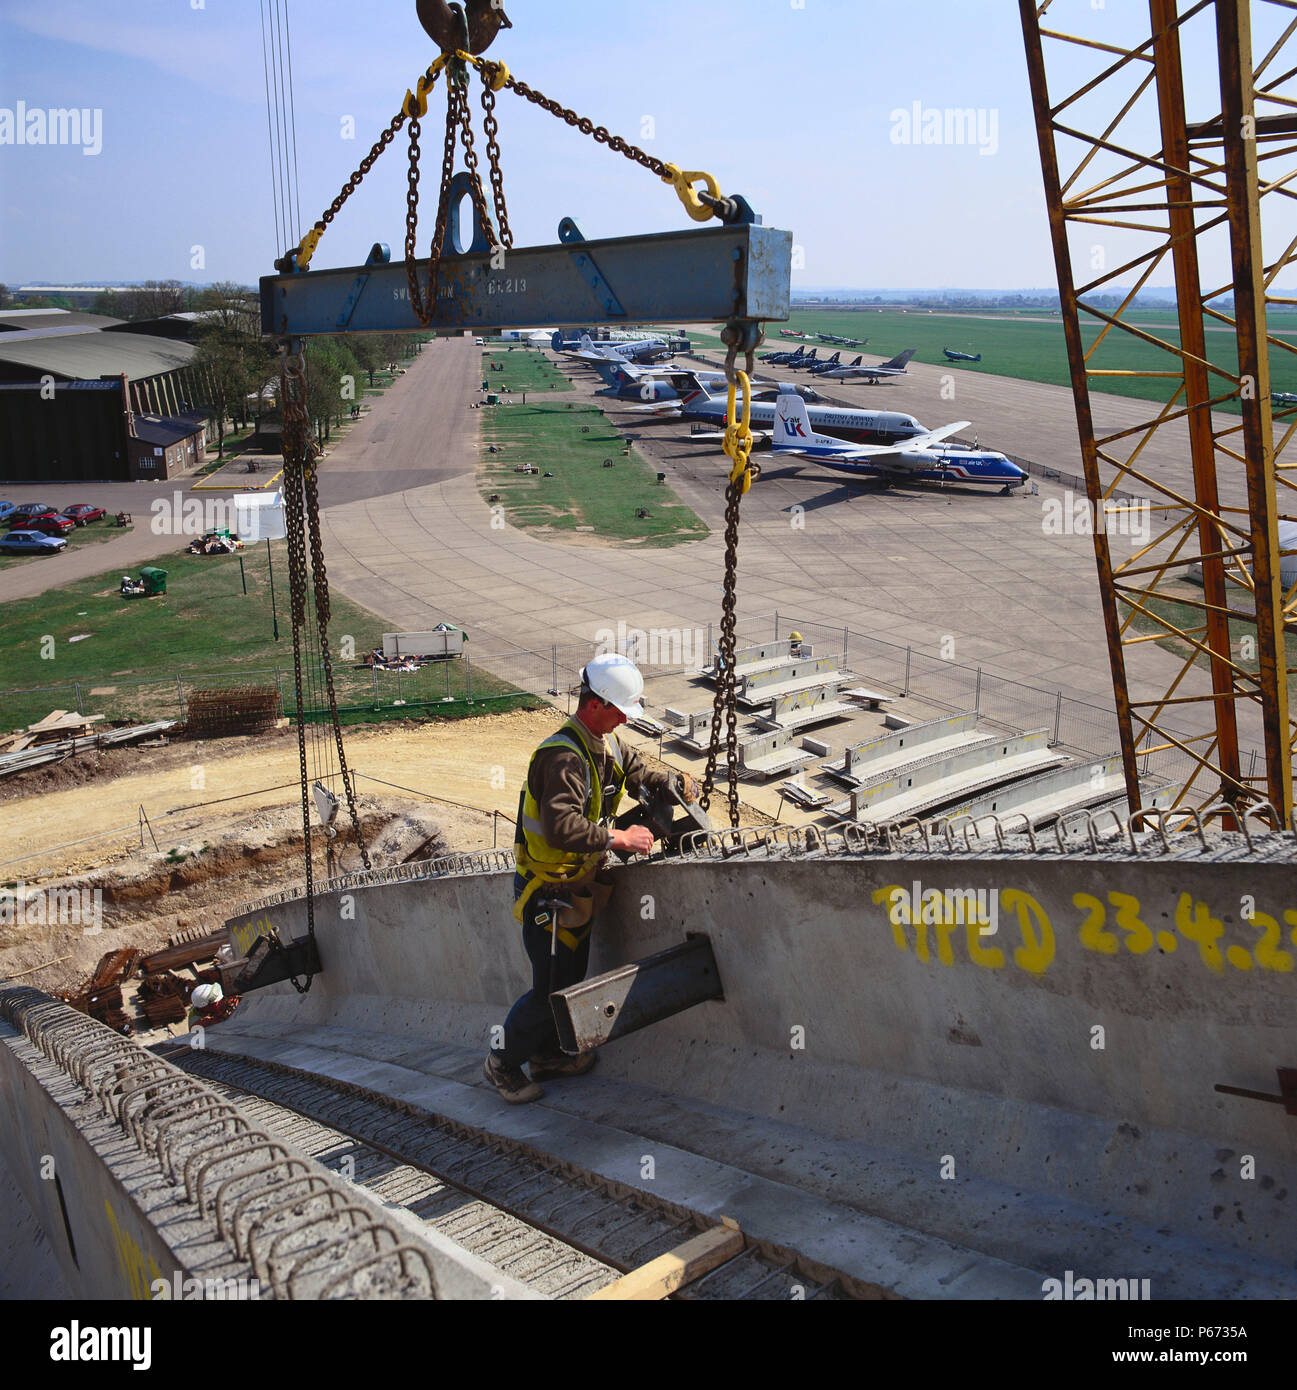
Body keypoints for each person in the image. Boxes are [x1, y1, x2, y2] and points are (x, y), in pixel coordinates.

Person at [484, 653, 696, 1103]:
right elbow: (562, 826)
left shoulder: (604, 741)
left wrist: (671, 781)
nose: (624, 720)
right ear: (596, 703)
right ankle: (501, 1063)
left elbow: (637, 767)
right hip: (548, 894)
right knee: (548, 990)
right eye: (620, 710)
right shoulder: (562, 756)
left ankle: (549, 1057)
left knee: (566, 982)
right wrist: (621, 839)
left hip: (572, 890)